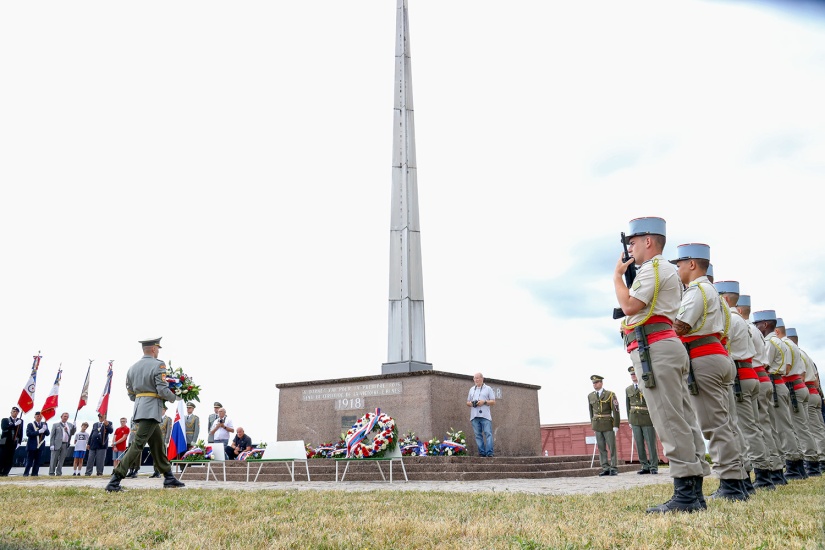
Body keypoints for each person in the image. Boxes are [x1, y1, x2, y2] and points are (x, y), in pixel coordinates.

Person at [614, 217, 710, 513]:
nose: (629, 248)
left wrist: (618, 276)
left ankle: (684, 493)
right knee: (681, 416)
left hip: (655, 348)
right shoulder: (663, 270)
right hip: (665, 346)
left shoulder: (654, 268)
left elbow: (629, 306)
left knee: (669, 418)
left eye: (632, 242)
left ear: (648, 241)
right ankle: (694, 492)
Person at [671, 243, 747, 501]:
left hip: (703, 357)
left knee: (713, 425)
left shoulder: (696, 291)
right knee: (726, 423)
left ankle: (731, 484)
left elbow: (680, 327)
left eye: (680, 264)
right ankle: (739, 478)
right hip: (719, 355)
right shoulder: (714, 293)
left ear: (692, 264)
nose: (678, 269)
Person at [715, 281, 774, 491]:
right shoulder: (748, 325)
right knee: (754, 427)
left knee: (745, 428)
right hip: (750, 373)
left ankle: (759, 474)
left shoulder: (729, 318)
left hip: (740, 374)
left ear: (724, 298)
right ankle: (763, 471)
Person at [105, 337, 184, 491]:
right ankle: (115, 479)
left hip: (140, 408)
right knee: (138, 444)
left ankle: (169, 477)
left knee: (158, 444)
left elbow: (131, 393)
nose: (158, 351)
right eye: (158, 348)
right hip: (152, 409)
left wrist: (142, 399)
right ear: (154, 349)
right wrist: (175, 397)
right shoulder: (159, 364)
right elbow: (162, 389)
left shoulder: (132, 368)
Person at [738, 295, 787, 486]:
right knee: (766, 427)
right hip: (760, 377)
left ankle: (764, 471)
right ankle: (775, 469)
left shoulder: (745, 327)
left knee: (751, 427)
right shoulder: (755, 331)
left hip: (752, 375)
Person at [752, 310, 807, 480]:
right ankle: (796, 465)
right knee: (786, 426)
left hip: (774, 383)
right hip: (780, 383)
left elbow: (764, 363)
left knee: (779, 428)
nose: (756, 327)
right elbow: (788, 368)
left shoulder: (770, 342)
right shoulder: (783, 343)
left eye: (758, 324)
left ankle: (791, 464)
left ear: (766, 324)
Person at [776, 320, 820, 477]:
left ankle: (811, 464)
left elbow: (786, 369)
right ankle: (811, 462)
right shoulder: (799, 350)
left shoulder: (784, 346)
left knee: (798, 428)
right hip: (804, 388)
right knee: (806, 427)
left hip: (794, 387)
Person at [790, 329, 825, 472]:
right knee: (817, 428)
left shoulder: (796, 355)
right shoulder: (805, 354)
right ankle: (820, 458)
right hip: (814, 392)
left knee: (807, 428)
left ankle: (817, 460)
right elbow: (817, 380)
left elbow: (802, 376)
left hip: (807, 392)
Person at [625, 366, 659, 475]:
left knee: (650, 443)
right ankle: (645, 465)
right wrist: (629, 420)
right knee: (639, 444)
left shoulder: (645, 386)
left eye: (634, 373)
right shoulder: (628, 389)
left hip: (647, 417)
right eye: (631, 374)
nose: (633, 376)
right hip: (634, 418)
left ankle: (653, 466)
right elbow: (628, 405)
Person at [588, 375, 620, 476]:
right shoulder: (591, 396)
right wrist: (593, 424)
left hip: (608, 424)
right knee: (601, 447)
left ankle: (613, 467)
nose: (595, 384)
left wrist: (616, 425)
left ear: (601, 383)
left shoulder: (610, 394)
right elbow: (591, 412)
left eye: (596, 382)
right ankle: (605, 467)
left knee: (612, 447)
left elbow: (616, 411)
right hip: (597, 424)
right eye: (593, 383)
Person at [466, 372, 495, 457]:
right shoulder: (471, 389)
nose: (476, 380)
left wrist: (484, 402)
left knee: (488, 434)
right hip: (474, 415)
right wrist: (472, 403)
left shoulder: (488, 388)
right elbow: (467, 402)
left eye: (478, 378)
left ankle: (489, 453)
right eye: (475, 378)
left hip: (485, 416)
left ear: (482, 379)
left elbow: (493, 401)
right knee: (478, 435)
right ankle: (481, 453)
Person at [48, 412, 76, 476]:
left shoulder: (70, 425)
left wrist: (74, 427)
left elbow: (72, 433)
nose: (66, 418)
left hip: (65, 444)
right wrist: (52, 444)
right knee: (53, 459)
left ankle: (59, 473)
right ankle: (51, 473)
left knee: (61, 460)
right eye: (64, 416)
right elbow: (52, 435)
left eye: (67, 416)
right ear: (61, 417)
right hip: (56, 444)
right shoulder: (56, 425)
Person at [150, 405, 173, 478]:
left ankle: (161, 471)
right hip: (155, 438)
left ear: (165, 410)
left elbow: (168, 431)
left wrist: (166, 440)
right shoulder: (156, 418)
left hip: (163, 439)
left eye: (162, 409)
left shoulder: (168, 419)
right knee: (155, 454)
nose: (161, 411)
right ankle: (155, 471)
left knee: (161, 455)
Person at [23, 411, 50, 476]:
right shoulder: (31, 424)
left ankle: (35, 474)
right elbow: (29, 434)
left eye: (40, 416)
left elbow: (47, 434)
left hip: (40, 445)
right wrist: (38, 432)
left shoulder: (44, 424)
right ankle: (26, 473)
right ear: (34, 416)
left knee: (37, 461)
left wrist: (45, 430)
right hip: (32, 445)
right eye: (38, 416)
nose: (39, 417)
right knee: (29, 461)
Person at [0, 406, 24, 476]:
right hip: (4, 442)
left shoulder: (20, 421)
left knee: (10, 459)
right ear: (11, 412)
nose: (15, 413)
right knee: (2, 457)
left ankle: (5, 473)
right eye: (14, 411)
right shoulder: (5, 420)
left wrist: (19, 442)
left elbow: (21, 432)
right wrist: (14, 424)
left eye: (16, 412)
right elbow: (4, 428)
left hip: (13, 442)